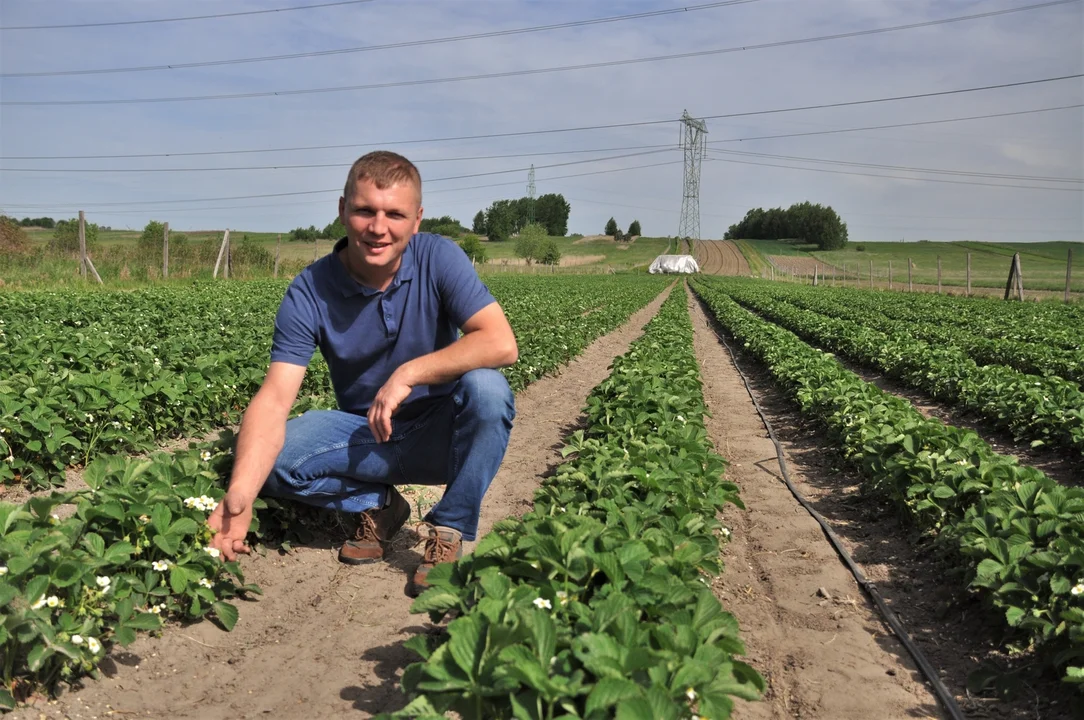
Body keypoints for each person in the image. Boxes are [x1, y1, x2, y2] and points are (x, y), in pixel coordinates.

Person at [206, 150, 518, 596]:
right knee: (260, 464)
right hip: (370, 437)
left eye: (395, 214)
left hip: (442, 434)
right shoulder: (310, 290)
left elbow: (500, 343)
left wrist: (409, 373)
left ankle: (449, 528)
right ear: (341, 210)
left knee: (488, 388)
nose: (378, 227)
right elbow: (276, 397)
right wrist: (240, 496)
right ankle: (380, 505)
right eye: (364, 210)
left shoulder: (439, 258)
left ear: (417, 219)